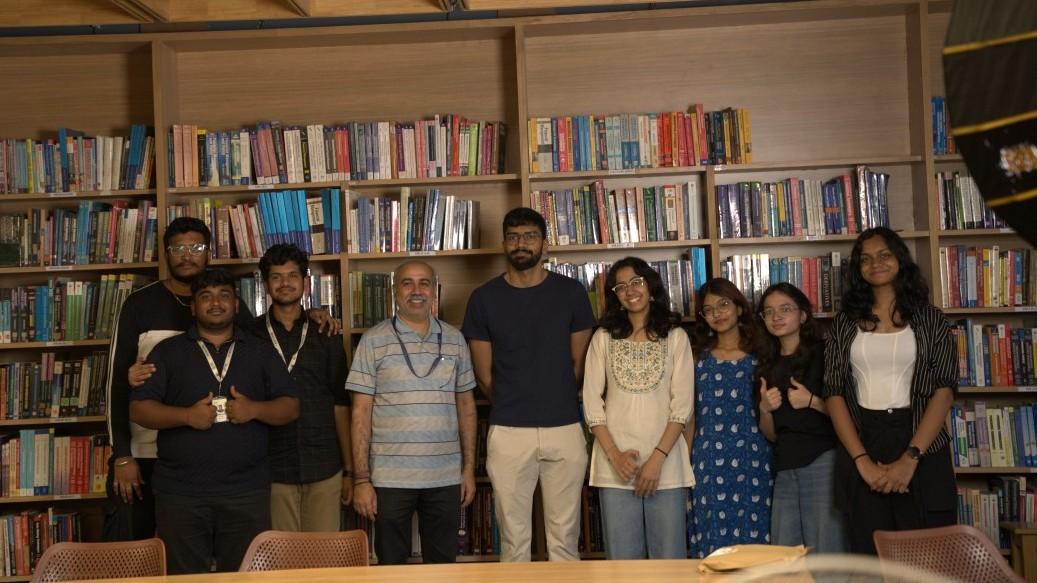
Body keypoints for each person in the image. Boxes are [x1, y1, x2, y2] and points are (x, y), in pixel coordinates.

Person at [110, 218, 339, 542]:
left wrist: (313, 312)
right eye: (178, 248)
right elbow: (122, 389)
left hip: (249, 478)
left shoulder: (252, 337)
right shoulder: (142, 309)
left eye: (196, 247)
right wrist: (123, 454)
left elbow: (279, 326)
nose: (187, 255)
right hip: (162, 463)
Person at [129, 268, 299, 574]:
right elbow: (139, 410)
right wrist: (186, 416)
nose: (216, 303)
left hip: (247, 492)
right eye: (206, 297)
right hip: (180, 494)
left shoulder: (260, 352)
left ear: (236, 304)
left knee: (246, 578)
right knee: (184, 579)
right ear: (193, 307)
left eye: (224, 295)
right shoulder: (167, 352)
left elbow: (291, 407)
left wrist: (254, 410)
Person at [462, 207, 595, 562]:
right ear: (504, 243)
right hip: (508, 430)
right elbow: (484, 375)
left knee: (564, 540)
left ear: (544, 244)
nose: (521, 244)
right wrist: (516, 403)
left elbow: (580, 366)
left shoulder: (571, 293)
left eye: (530, 236)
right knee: (513, 541)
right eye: (513, 237)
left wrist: (551, 398)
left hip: (564, 426)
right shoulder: (483, 299)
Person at [823, 227, 957, 555]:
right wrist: (862, 461)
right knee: (869, 561)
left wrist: (910, 459)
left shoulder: (931, 319)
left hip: (921, 444)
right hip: (862, 440)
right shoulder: (844, 322)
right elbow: (833, 392)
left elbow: (944, 391)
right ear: (858, 269)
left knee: (926, 562)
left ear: (900, 259)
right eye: (865, 259)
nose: (876, 264)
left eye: (884, 255)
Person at [347, 260, 477, 565]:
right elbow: (360, 413)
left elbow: (467, 407)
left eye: (424, 283)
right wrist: (362, 480)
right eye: (407, 283)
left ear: (434, 290)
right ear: (394, 291)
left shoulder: (455, 339)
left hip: (445, 476)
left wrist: (469, 469)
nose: (416, 290)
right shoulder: (372, 341)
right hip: (389, 479)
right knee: (391, 566)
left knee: (443, 567)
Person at [582, 257, 694, 559]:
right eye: (621, 287)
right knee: (622, 565)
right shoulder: (603, 338)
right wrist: (615, 455)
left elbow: (682, 407)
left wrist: (656, 460)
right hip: (615, 468)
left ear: (650, 285)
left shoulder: (676, 337)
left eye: (636, 282)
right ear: (615, 296)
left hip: (666, 467)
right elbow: (591, 403)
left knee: (669, 563)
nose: (630, 290)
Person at [254, 244, 352, 532]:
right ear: (266, 285)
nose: (285, 283)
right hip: (270, 467)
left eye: (292, 276)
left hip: (324, 463)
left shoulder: (326, 332)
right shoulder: (248, 335)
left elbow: (340, 404)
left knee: (323, 554)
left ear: (306, 283)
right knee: (280, 555)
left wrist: (349, 470)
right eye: (276, 277)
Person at [755, 282, 846, 552]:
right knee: (784, 553)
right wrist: (764, 410)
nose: (776, 317)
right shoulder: (766, 365)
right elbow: (771, 435)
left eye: (785, 309)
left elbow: (849, 415)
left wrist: (812, 401)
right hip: (785, 465)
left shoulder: (825, 354)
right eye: (769, 312)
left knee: (826, 550)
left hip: (822, 460)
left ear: (803, 315)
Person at [687, 277, 772, 558]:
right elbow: (690, 416)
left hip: (753, 459)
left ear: (739, 307)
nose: (717, 314)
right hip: (708, 460)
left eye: (723, 304)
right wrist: (685, 464)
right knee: (712, 540)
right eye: (708, 309)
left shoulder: (761, 355)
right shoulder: (697, 358)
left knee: (755, 538)